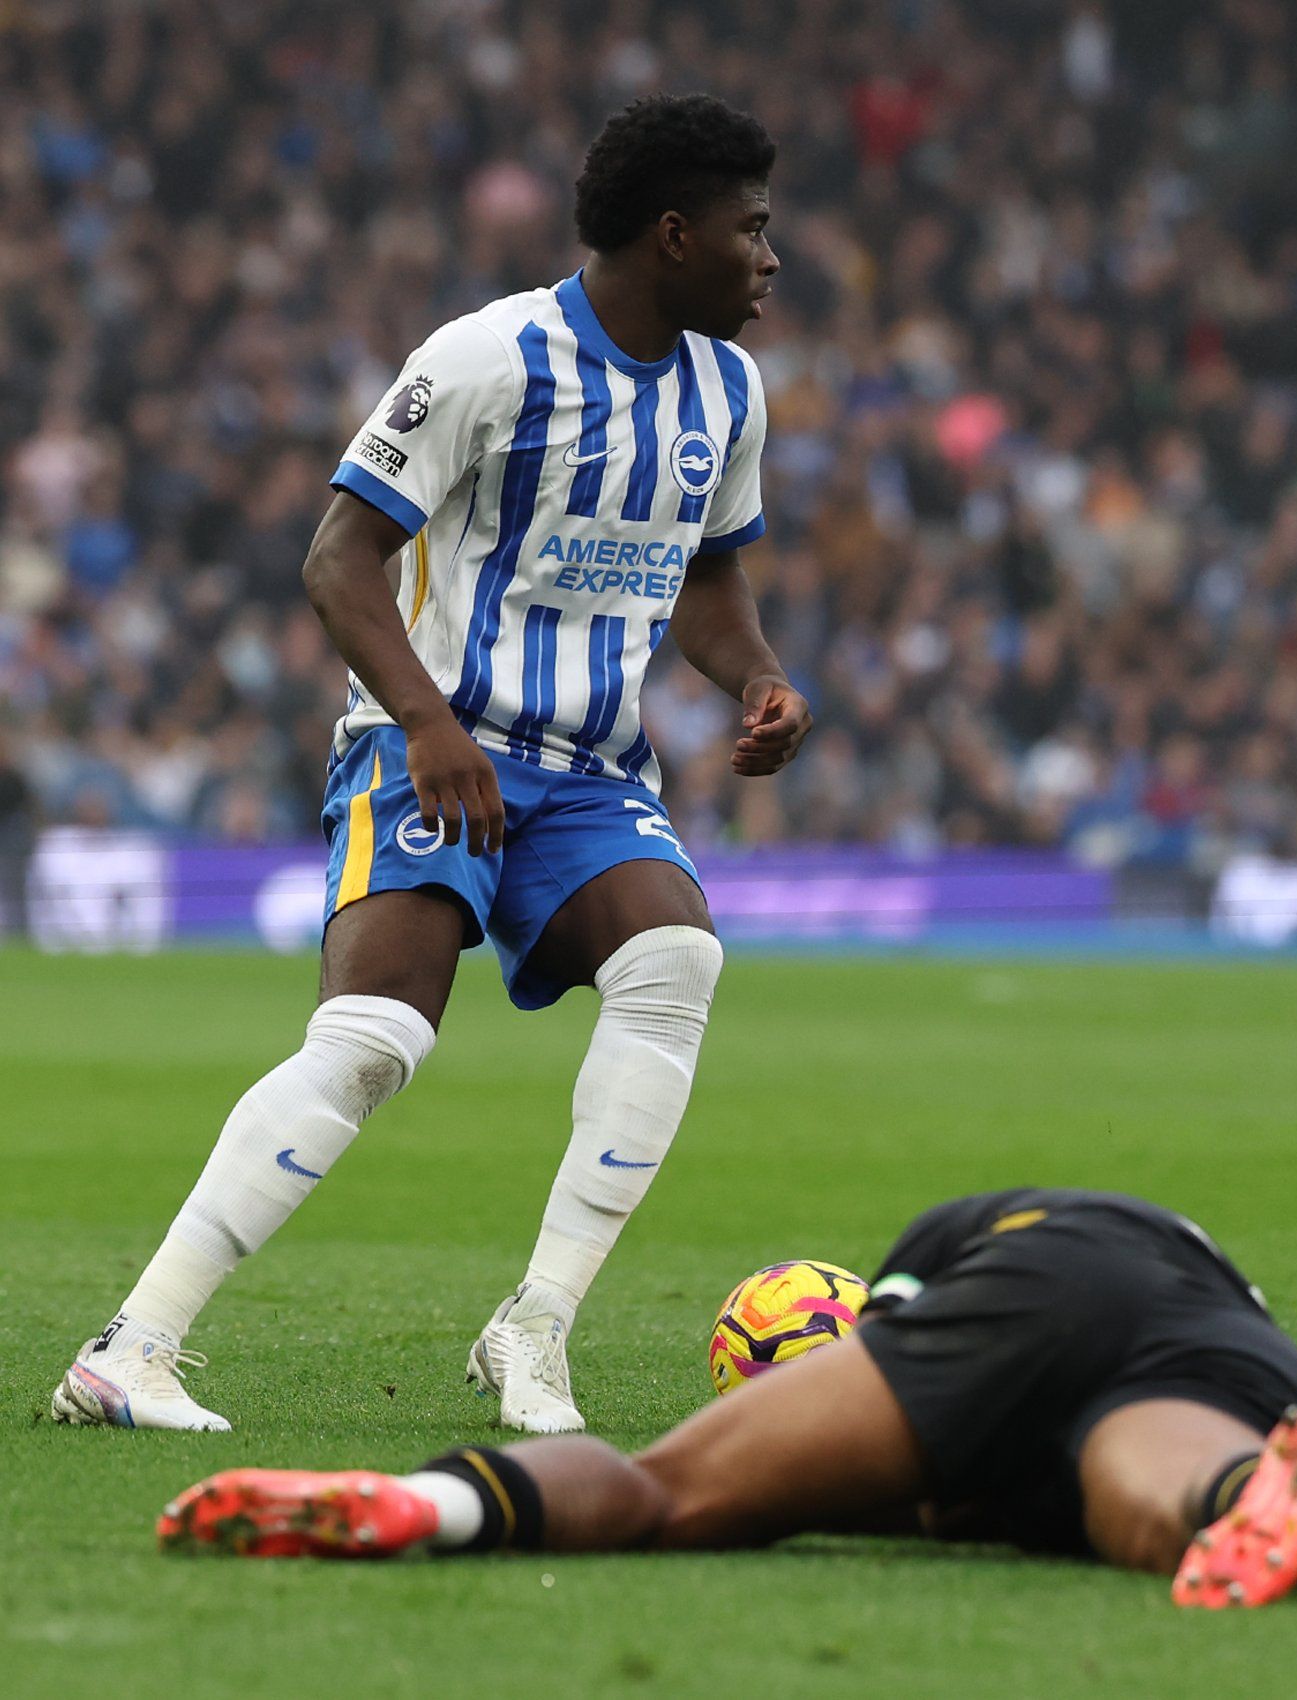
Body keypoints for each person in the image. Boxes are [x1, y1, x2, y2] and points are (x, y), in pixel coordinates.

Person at [52, 93, 807, 1436]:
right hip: (431, 748)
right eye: (751, 231)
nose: (771, 257)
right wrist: (426, 725)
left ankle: (534, 1332)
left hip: (585, 772)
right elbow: (337, 562)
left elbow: (708, 579)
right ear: (674, 234)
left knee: (677, 959)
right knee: (376, 1039)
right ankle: (133, 1349)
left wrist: (755, 678)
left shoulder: (729, 391)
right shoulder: (487, 357)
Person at [157, 1188, 1297, 1610]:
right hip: (1254, 1366)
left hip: (1052, 1259)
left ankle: (432, 1506)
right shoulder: (1199, 1328)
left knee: (666, 1490)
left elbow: (911, 1421)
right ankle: (1250, 1486)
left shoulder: (939, 1253)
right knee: (1147, 1503)